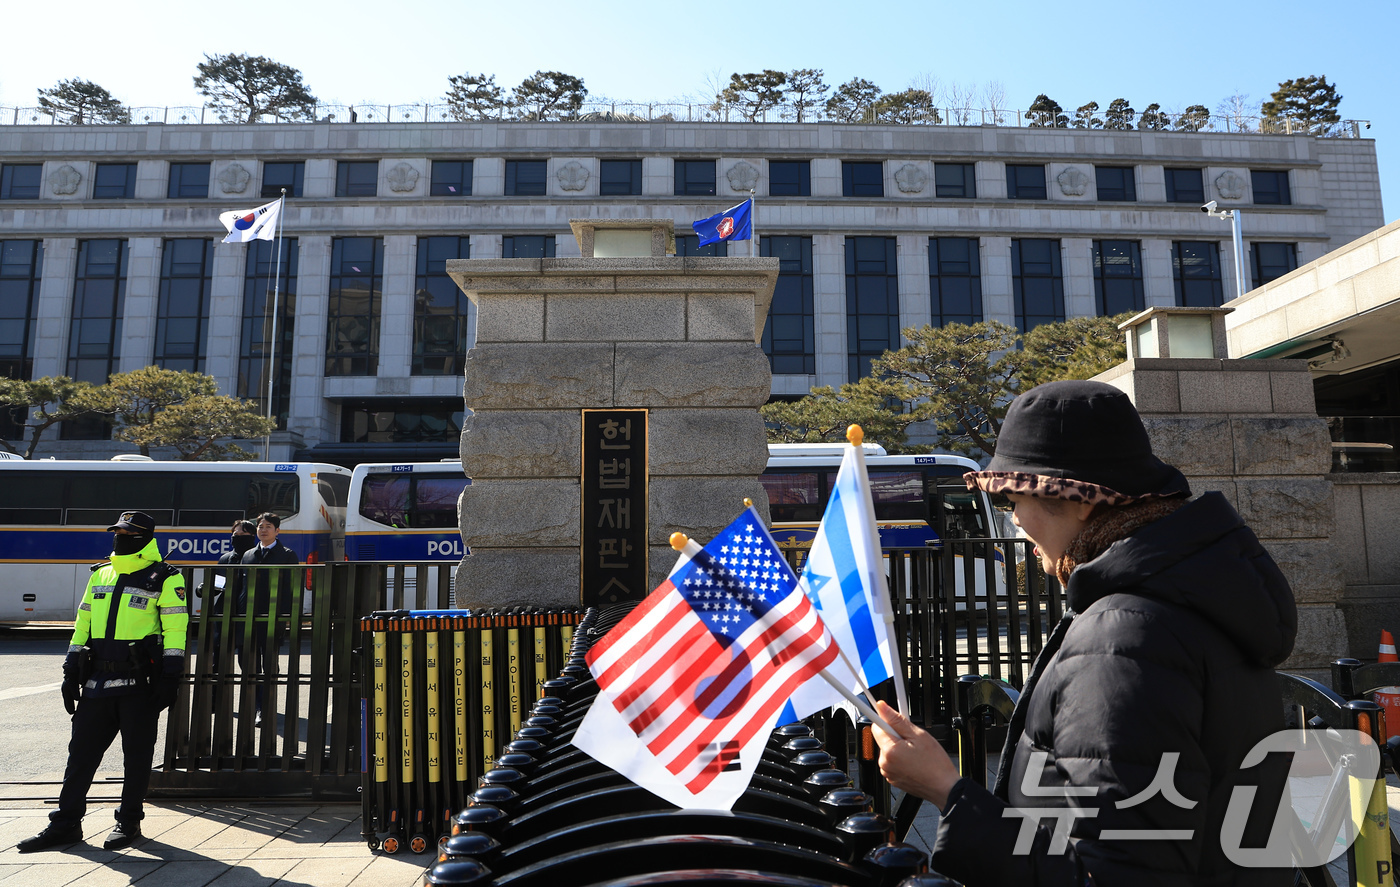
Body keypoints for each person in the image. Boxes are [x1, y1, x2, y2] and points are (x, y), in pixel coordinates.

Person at [872, 380, 1297, 886]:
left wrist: (946, 789)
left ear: (1077, 499)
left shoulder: (1123, 637)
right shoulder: (1194, 597)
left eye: (1013, 500)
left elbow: (1113, 876)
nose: (1014, 523)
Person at [19, 510, 188, 853]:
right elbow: (83, 623)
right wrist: (70, 671)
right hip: (96, 680)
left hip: (139, 682)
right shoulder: (101, 574)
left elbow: (175, 631)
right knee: (80, 756)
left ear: (143, 537)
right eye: (117, 532)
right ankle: (65, 824)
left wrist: (171, 676)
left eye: (127, 533)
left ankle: (129, 821)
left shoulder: (166, 578)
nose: (119, 537)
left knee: (136, 757)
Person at [237, 512, 298, 726]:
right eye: (260, 526)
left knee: (269, 665)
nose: (263, 529)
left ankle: (266, 708)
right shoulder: (248, 555)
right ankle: (254, 706)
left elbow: (291, 589)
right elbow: (241, 588)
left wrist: (285, 617)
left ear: (277, 530)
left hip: (273, 619)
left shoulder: (287, 555)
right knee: (247, 664)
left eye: (268, 526)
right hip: (248, 619)